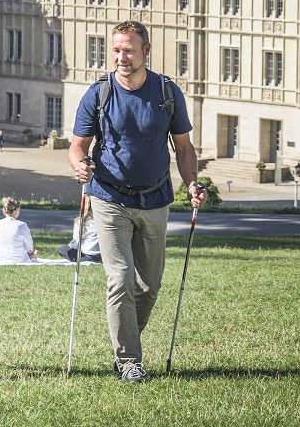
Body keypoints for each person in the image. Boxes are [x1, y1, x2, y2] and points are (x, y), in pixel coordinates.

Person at [68, 20, 207, 383]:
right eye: (115, 49)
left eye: (128, 49)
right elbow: (77, 146)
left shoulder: (166, 92)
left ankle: (126, 341)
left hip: (156, 198)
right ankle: (129, 360)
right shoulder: (98, 94)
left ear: (146, 50)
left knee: (149, 285)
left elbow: (185, 147)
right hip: (108, 196)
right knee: (120, 278)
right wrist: (80, 166)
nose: (120, 57)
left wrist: (192, 183)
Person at [0, 196, 36, 263]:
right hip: (19, 259)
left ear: (4, 210)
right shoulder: (21, 225)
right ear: (17, 210)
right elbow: (29, 247)